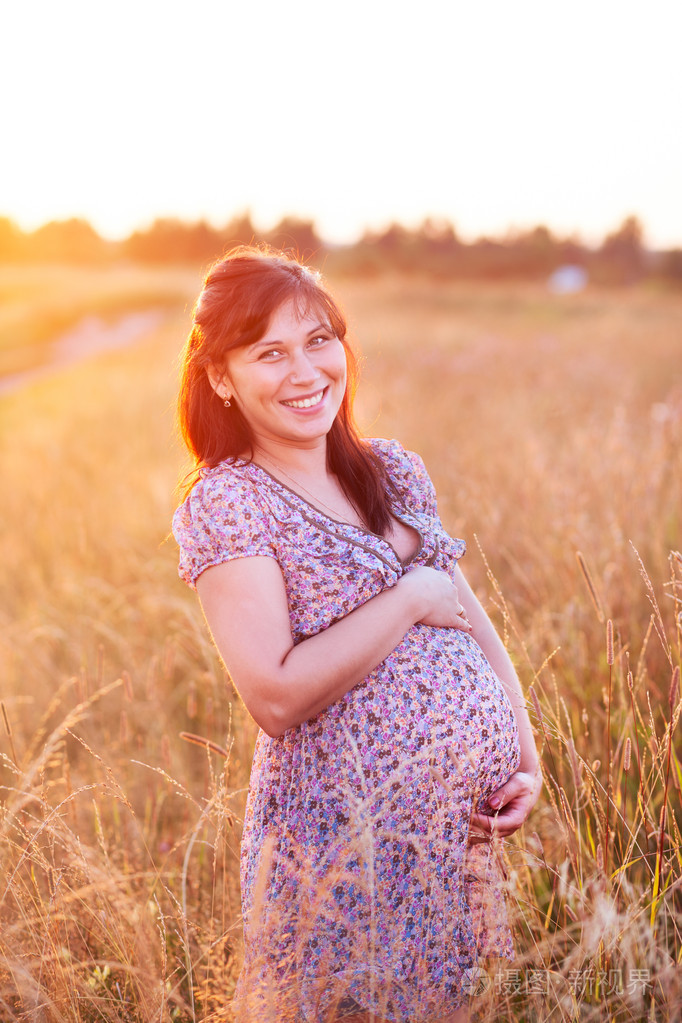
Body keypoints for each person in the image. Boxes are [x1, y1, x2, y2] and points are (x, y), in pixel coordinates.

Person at [172, 246, 541, 1023]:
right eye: (269, 352)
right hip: (339, 854)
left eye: (319, 340)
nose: (306, 372)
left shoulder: (393, 472)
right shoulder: (230, 502)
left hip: (454, 841)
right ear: (220, 376)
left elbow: (476, 625)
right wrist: (406, 599)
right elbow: (273, 694)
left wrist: (525, 758)